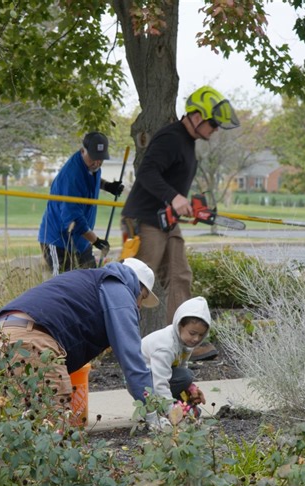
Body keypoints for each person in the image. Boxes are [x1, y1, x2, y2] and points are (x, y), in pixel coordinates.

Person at [121, 85, 239, 360]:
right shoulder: (170, 138)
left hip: (166, 221)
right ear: (196, 117)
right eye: (213, 123)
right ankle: (117, 342)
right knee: (135, 284)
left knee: (179, 276)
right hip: (143, 220)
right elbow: (147, 172)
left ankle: (183, 344)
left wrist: (183, 204)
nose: (215, 129)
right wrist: (174, 198)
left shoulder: (187, 144)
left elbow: (170, 182)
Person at [0, 258, 168, 428]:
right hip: (30, 339)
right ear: (136, 286)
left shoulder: (92, 280)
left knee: (16, 427)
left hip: (0, 334)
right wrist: (153, 410)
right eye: (142, 297)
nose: (139, 306)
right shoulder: (119, 289)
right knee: (52, 432)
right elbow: (132, 360)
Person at [38, 132, 124, 275]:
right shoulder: (72, 176)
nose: (97, 163)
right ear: (82, 150)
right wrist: (96, 241)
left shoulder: (91, 166)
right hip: (58, 241)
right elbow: (74, 219)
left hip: (81, 241)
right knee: (64, 287)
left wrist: (108, 186)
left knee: (91, 282)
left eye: (100, 159)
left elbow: (92, 180)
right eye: (94, 158)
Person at [141, 296, 211, 418]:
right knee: (186, 376)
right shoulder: (165, 347)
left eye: (201, 335)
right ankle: (157, 408)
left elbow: (180, 368)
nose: (196, 339)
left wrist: (191, 390)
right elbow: (160, 382)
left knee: (186, 377)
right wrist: (171, 412)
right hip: (142, 381)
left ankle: (181, 406)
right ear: (179, 325)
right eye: (192, 333)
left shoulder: (185, 343)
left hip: (156, 377)